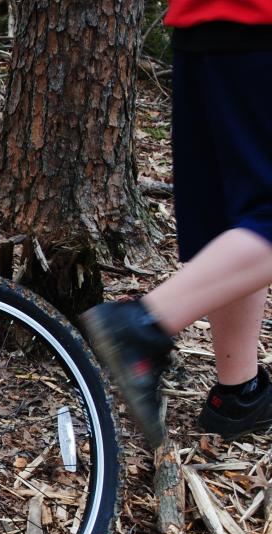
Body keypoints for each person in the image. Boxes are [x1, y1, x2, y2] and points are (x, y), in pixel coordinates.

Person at [81, 0, 272, 448]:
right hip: (261, 29)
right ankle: (139, 326)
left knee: (236, 217)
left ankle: (238, 394)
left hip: (202, 29)